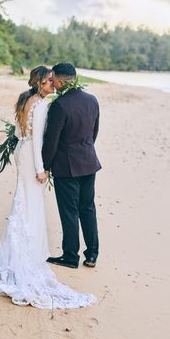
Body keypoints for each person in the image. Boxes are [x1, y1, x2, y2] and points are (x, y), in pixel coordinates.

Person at [0, 66, 95, 309]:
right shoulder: (45, 105)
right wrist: (42, 168)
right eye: (49, 81)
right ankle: (34, 248)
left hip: (24, 152)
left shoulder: (26, 100)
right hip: (40, 157)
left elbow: (23, 134)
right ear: (40, 83)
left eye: (54, 81)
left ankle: (21, 244)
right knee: (34, 202)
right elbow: (40, 140)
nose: (53, 85)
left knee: (24, 200)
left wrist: (41, 163)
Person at [43, 63, 101, 269]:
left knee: (69, 212)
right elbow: (94, 133)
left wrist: (45, 165)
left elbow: (52, 140)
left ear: (59, 80)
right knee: (88, 209)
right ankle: (92, 255)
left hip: (67, 167)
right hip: (89, 162)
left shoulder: (60, 105)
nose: (53, 85)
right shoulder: (92, 100)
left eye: (53, 80)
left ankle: (70, 256)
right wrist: (85, 150)